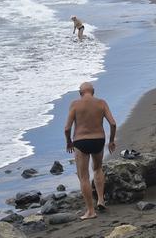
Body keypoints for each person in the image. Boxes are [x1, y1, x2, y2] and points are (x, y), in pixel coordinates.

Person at [64, 82, 117, 220]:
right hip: (98, 140)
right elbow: (113, 123)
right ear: (93, 91)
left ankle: (91, 211)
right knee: (98, 169)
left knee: (84, 177)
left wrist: (69, 142)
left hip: (81, 141)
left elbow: (67, 128)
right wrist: (111, 141)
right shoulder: (101, 103)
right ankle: (101, 200)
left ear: (80, 93)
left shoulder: (75, 104)